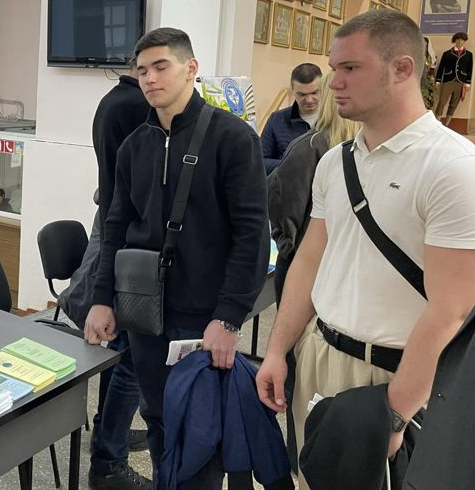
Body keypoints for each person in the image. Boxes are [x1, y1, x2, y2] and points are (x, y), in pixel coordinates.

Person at [256, 10, 475, 489]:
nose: (334, 82)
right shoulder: (335, 161)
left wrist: (395, 413)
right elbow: (310, 260)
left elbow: (451, 310)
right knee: (309, 479)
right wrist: (278, 349)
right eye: (334, 68)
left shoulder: (453, 167)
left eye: (350, 68)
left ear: (402, 68)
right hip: (319, 353)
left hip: (394, 375)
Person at [85, 27, 269, 488]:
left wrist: (228, 318)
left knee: (202, 429)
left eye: (161, 66)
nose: (149, 78)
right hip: (145, 311)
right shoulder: (135, 146)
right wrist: (102, 298)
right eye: (142, 70)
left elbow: (252, 235)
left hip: (204, 316)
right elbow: (115, 228)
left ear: (191, 69)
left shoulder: (233, 138)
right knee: (159, 419)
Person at [266, 70, 361, 471]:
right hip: (310, 277)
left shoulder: (347, 149)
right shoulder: (313, 149)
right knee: (301, 370)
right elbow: (279, 201)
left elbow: (279, 203)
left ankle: (305, 458)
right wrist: (296, 248)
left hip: (329, 283)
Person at [87, 69, 151, 490]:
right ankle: (109, 457)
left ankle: (108, 432)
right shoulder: (136, 106)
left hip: (118, 232)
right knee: (129, 357)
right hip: (128, 241)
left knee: (120, 350)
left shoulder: (112, 99)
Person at [260, 63, 323, 173]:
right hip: (288, 182)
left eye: (314, 93)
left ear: (324, 88)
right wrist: (293, 165)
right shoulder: (276, 120)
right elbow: (261, 161)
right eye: (302, 95)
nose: (309, 100)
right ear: (292, 91)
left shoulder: (339, 119)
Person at [433, 31, 472, 125]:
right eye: (458, 39)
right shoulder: (447, 53)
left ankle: (446, 125)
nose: (460, 41)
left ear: (465, 41)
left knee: (454, 104)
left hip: (460, 81)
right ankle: (437, 124)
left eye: (462, 40)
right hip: (448, 80)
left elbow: (470, 69)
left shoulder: (469, 54)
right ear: (455, 40)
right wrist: (438, 80)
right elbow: (441, 68)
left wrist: (468, 83)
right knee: (442, 102)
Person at [420, 36, 437, 110]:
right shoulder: (417, 55)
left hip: (428, 80)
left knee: (428, 97)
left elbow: (432, 69)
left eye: (425, 45)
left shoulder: (431, 57)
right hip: (418, 80)